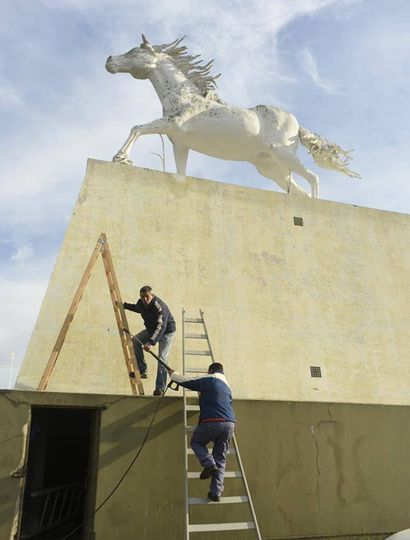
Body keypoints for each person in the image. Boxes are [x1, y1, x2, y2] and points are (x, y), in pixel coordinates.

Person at [168, 362, 236, 502]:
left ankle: (209, 465)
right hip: (230, 424)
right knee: (220, 458)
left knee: (197, 442)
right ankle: (216, 492)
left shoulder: (210, 379)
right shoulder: (227, 387)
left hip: (213, 421)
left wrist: (173, 374)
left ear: (211, 370)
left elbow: (187, 381)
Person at [123, 286, 176, 396]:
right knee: (135, 341)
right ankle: (142, 370)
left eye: (147, 296)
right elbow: (137, 308)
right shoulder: (141, 303)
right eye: (142, 297)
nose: (145, 299)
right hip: (152, 330)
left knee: (162, 359)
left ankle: (160, 388)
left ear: (152, 295)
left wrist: (151, 342)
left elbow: (161, 326)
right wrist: (124, 305)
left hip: (166, 331)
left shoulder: (159, 306)